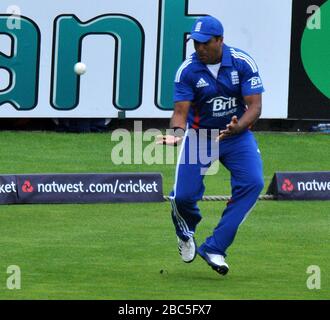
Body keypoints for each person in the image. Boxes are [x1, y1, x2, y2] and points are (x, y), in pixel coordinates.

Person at [157, 15, 264, 275]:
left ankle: (215, 247)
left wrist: (239, 127)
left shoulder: (242, 62)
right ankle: (185, 232)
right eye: (196, 43)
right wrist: (175, 133)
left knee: (253, 183)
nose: (200, 48)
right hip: (199, 136)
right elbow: (180, 112)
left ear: (220, 40)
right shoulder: (188, 70)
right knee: (182, 196)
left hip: (236, 137)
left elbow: (255, 106)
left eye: (205, 43)